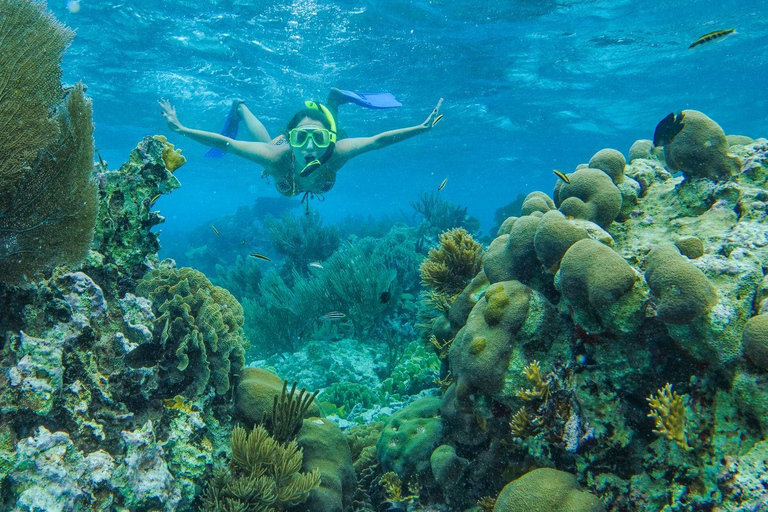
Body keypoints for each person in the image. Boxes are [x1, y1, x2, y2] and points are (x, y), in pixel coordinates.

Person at [157, 88, 443, 207]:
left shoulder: (338, 152)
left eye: (318, 140)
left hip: (320, 139)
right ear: (291, 137)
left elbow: (376, 141)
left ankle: (334, 98)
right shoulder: (276, 156)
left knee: (331, 118)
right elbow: (228, 143)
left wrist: (420, 128)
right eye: (301, 138)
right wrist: (181, 130)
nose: (309, 147)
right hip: (277, 152)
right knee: (267, 145)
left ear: (328, 142)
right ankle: (240, 107)